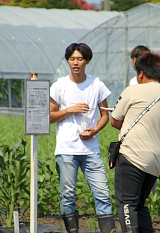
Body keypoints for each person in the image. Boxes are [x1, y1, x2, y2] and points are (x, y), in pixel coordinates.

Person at [50, 43, 116, 233]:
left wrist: (94, 131)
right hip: (67, 149)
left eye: (80, 59)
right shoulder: (60, 85)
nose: (75, 63)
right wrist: (70, 109)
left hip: (91, 150)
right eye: (72, 59)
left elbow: (105, 115)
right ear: (68, 61)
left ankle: (108, 230)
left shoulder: (97, 84)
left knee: (102, 193)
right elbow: (49, 116)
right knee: (68, 195)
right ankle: (73, 230)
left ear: (87, 61)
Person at [111, 52, 160, 232]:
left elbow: (114, 121)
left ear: (140, 73)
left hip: (132, 157)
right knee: (139, 204)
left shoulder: (133, 90)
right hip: (155, 162)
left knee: (126, 204)